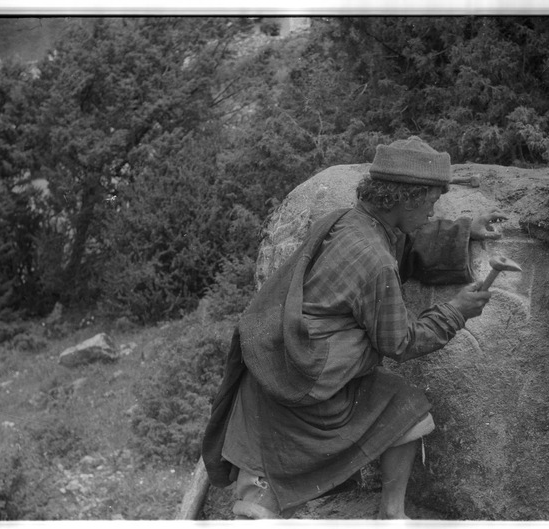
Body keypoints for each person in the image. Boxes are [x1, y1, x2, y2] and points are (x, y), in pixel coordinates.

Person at [201, 136, 506, 519]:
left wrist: (462, 232)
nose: (434, 210)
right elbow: (401, 341)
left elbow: (403, 245)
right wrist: (456, 311)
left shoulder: (348, 221)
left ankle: (392, 515)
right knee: (260, 507)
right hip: (306, 387)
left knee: (407, 407)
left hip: (276, 369)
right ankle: (377, 511)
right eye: (431, 200)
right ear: (406, 198)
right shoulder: (374, 260)